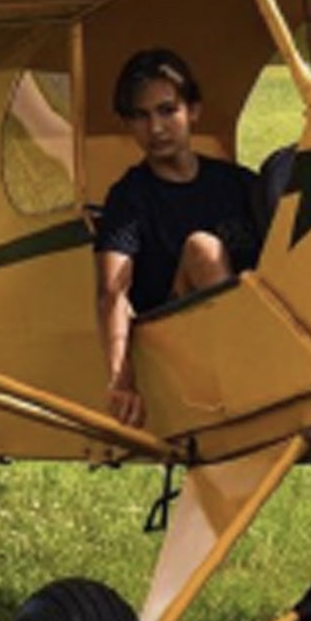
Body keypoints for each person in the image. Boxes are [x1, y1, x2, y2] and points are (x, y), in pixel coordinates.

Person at [93, 48, 261, 428]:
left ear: (194, 111)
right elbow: (111, 293)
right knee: (203, 248)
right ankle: (247, 379)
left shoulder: (238, 183)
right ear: (128, 125)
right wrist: (122, 383)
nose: (155, 128)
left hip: (255, 325)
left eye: (168, 111)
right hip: (175, 353)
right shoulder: (129, 198)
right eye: (141, 116)